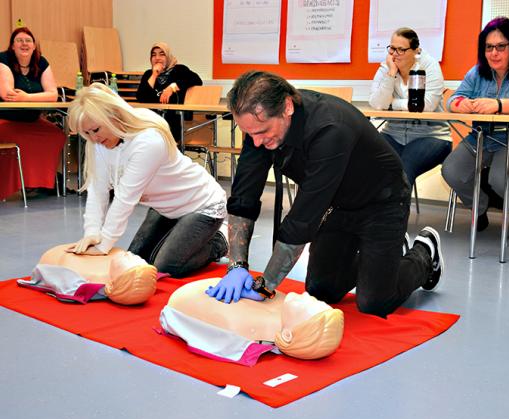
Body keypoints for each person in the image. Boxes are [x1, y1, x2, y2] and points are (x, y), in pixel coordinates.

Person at [205, 71, 444, 318]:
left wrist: (266, 286)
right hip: (338, 204)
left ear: (287, 107)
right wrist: (236, 266)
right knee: (322, 290)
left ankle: (424, 254)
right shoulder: (259, 127)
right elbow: (244, 196)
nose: (255, 142)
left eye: (262, 131)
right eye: (249, 133)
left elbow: (303, 218)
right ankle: (386, 258)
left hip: (383, 202)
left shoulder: (330, 128)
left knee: (375, 302)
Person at [66, 83, 228, 278]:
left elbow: (126, 198)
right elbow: (97, 189)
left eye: (95, 130)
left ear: (112, 116)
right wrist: (92, 232)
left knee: (167, 266)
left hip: (202, 205)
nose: (93, 138)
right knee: (138, 261)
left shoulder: (148, 140)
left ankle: (221, 240)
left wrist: (105, 243)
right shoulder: (99, 142)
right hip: (166, 208)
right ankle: (185, 237)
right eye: (87, 134)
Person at [442, 17, 509, 233]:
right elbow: (452, 99)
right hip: (482, 137)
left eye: (500, 47)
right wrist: (462, 104)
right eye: (488, 47)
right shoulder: (478, 71)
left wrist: (497, 104)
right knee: (451, 171)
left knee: (500, 177)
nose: (494, 53)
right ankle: (479, 206)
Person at [161, 277, 344, 363]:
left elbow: (186, 303)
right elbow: (266, 289)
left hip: (185, 299)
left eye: (308, 304)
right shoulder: (286, 307)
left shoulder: (244, 324)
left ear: (287, 335)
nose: (305, 294)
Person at [369, 27, 452, 186]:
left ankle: (396, 211)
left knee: (403, 170)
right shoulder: (386, 67)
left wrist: (393, 104)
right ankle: (373, 211)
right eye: (392, 48)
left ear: (415, 51)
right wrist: (391, 74)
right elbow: (378, 103)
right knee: (366, 163)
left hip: (431, 134)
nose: (394, 54)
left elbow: (426, 105)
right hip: (393, 133)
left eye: (401, 50)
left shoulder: (429, 66)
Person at [0, 27, 65, 200]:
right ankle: (23, 184)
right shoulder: (3, 59)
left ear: (34, 46)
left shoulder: (41, 62)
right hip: (6, 120)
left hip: (33, 120)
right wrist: (33, 97)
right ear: (12, 46)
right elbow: (8, 94)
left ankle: (41, 183)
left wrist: (27, 96)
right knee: (19, 139)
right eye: (19, 40)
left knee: (56, 135)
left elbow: (53, 94)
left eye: (28, 40)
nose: (24, 43)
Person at [18, 244, 158, 305]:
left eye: (129, 259)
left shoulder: (82, 272)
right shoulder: (121, 264)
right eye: (138, 259)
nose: (131, 254)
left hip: (62, 253)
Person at [136, 42, 202, 141]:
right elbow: (142, 97)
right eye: (153, 55)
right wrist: (154, 75)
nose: (157, 58)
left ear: (168, 57)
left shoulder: (179, 70)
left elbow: (197, 80)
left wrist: (172, 87)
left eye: (162, 54)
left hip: (171, 125)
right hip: (150, 125)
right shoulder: (148, 74)